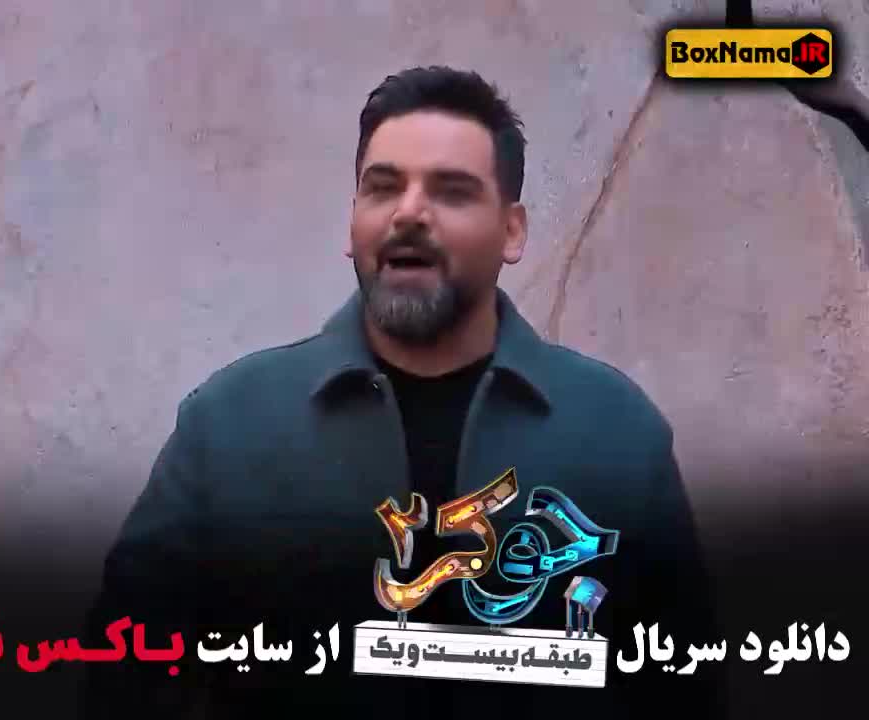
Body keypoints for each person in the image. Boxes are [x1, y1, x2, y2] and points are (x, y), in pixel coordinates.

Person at [82, 66, 724, 718]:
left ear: (512, 231)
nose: (409, 213)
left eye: (451, 192)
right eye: (383, 188)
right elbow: (120, 678)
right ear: (352, 223)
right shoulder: (229, 427)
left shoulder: (617, 434)